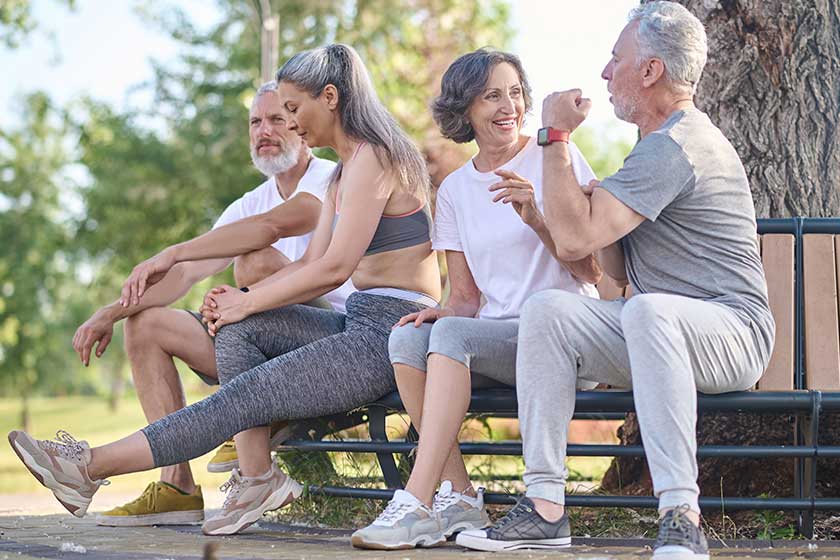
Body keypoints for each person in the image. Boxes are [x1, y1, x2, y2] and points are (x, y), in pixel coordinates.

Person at [9, 43, 441, 537]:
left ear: (331, 98)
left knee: (241, 393)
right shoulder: (344, 172)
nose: (292, 123)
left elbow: (334, 268)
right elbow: (309, 262)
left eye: (294, 111)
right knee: (240, 329)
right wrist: (235, 306)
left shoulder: (373, 159)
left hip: (392, 332)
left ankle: (88, 467)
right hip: (357, 323)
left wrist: (246, 296)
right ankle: (258, 478)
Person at [455, 3, 775, 557]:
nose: (604, 73)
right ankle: (546, 508)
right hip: (661, 334)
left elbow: (575, 244)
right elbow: (615, 268)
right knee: (550, 310)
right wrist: (596, 206)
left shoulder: (678, 145)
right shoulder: (648, 150)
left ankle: (682, 516)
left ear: (649, 70)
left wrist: (554, 136)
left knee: (650, 310)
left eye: (615, 58)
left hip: (733, 334)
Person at [71, 80, 353, 527]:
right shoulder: (248, 202)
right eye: (255, 122)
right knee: (145, 325)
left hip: (329, 344)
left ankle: (261, 419)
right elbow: (184, 274)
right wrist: (111, 311)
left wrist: (191, 262)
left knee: (253, 263)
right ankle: (176, 485)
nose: (265, 130)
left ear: (299, 125)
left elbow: (274, 227)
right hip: (259, 345)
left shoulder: (330, 178)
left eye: (277, 119)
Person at [351, 49, 601, 550]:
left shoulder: (556, 156)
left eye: (515, 93)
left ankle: (417, 499)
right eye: (492, 96)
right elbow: (465, 298)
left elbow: (592, 270)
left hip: (566, 337)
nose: (508, 106)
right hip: (498, 342)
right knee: (408, 340)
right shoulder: (457, 190)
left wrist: (536, 217)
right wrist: (438, 313)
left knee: (449, 335)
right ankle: (460, 493)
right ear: (465, 109)